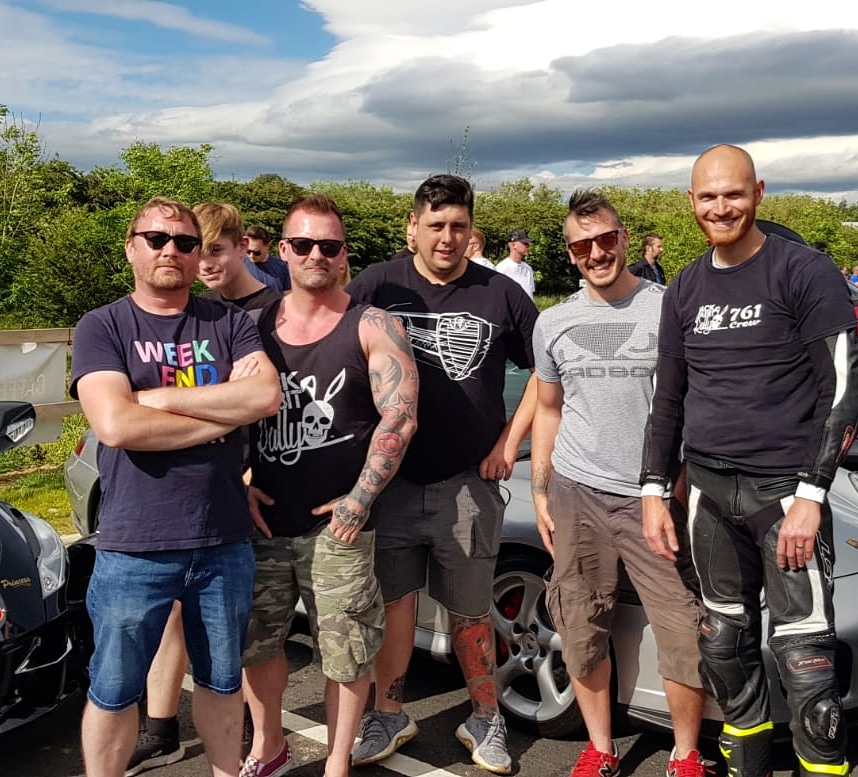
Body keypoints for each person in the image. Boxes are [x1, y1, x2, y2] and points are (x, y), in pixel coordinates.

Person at [641, 144, 858, 777]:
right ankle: (747, 766)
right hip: (708, 494)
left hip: (784, 494)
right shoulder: (684, 284)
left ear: (758, 192)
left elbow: (843, 391)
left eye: (732, 193)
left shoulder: (803, 270)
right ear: (691, 202)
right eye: (707, 196)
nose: (720, 207)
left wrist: (813, 497)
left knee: (806, 664)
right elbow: (668, 395)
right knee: (724, 646)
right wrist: (655, 489)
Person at [71, 196, 281, 777]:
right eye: (158, 239)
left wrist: (157, 401)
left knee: (220, 681)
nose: (173, 251)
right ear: (131, 248)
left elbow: (264, 398)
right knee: (114, 689)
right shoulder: (103, 325)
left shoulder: (229, 321)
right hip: (134, 544)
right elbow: (115, 425)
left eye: (186, 243)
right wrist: (223, 413)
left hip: (223, 541)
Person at [347, 174, 539, 775]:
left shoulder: (501, 293)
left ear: (472, 230)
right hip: (394, 480)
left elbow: (545, 370)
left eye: (458, 226)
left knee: (471, 611)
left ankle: (486, 719)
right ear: (413, 227)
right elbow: (333, 357)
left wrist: (511, 440)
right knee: (395, 603)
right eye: (435, 225)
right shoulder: (378, 284)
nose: (447, 237)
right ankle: (389, 713)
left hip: (467, 483)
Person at [241, 193, 420, 777]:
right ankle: (268, 747)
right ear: (282, 250)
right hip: (263, 522)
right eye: (303, 243)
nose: (316, 254)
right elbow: (224, 411)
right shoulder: (253, 326)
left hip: (338, 528)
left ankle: (337, 763)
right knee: (258, 645)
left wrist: (360, 499)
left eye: (330, 245)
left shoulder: (372, 324)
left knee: (345, 654)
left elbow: (400, 415)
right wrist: (239, 480)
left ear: (344, 255)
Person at [531, 189, 706, 777]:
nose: (595, 252)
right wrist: (540, 484)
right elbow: (549, 408)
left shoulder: (669, 307)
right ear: (570, 252)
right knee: (581, 622)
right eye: (582, 244)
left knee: (682, 626)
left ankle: (685, 755)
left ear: (624, 238)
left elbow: (692, 403)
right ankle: (600, 748)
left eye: (606, 238)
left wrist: (679, 485)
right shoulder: (552, 322)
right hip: (576, 490)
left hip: (653, 495)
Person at [245, 225, 292, 292]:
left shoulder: (281, 267)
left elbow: (287, 293)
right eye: (248, 251)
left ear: (268, 246)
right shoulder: (240, 265)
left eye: (256, 252)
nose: (251, 256)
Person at [495, 228, 535, 298]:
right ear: (513, 245)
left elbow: (530, 295)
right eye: (525, 243)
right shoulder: (501, 269)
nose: (528, 246)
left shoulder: (528, 269)